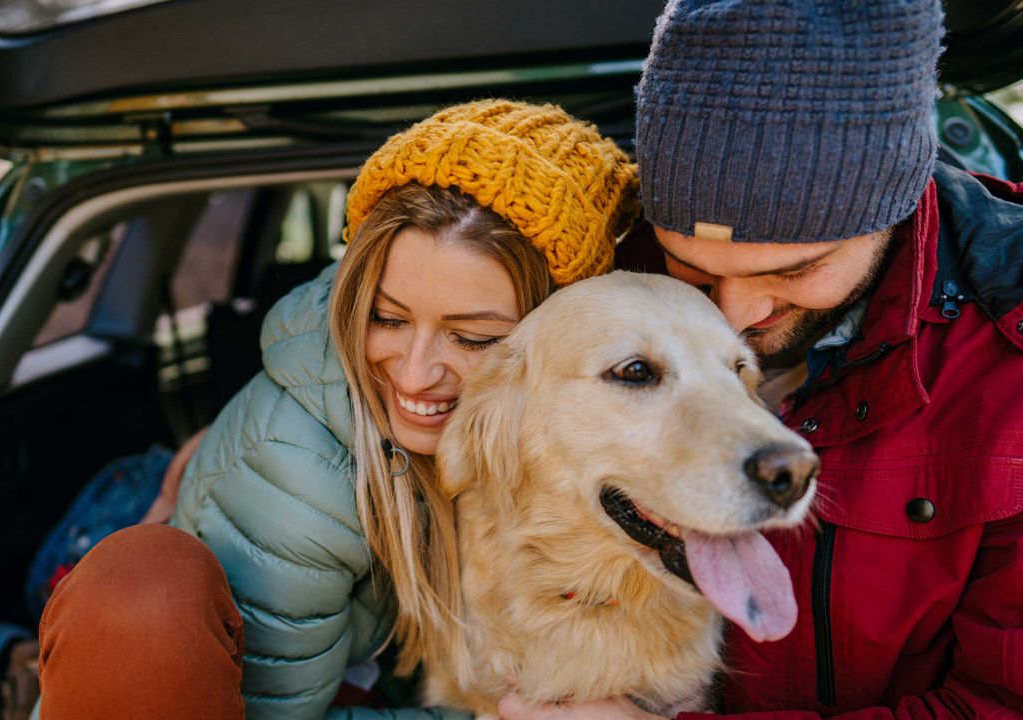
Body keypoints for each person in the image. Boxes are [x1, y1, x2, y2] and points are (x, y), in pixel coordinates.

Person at [498, 1, 1023, 719]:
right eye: (692, 266)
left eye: (793, 271)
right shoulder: (591, 272)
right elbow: (407, 332)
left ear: (894, 208)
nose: (735, 313)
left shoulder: (1008, 352)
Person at [35, 100, 639, 719]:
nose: (413, 372)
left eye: (474, 338)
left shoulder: (577, 424)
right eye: (387, 317)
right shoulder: (302, 488)